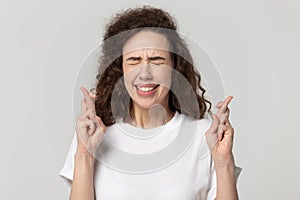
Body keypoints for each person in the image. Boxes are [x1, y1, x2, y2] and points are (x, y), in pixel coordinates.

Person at [59, 6, 242, 200]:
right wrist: (85, 154)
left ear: (175, 67)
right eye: (134, 60)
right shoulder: (94, 136)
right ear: (120, 69)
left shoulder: (204, 136)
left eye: (157, 60)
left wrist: (223, 163)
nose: (145, 73)